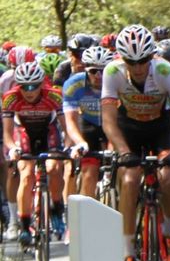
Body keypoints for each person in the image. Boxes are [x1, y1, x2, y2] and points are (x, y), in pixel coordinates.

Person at [100, 24, 170, 261]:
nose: (139, 67)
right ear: (123, 59)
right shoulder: (112, 71)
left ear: (151, 56)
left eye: (143, 60)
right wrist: (122, 152)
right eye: (132, 62)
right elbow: (108, 121)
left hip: (159, 127)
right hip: (127, 129)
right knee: (130, 179)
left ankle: (166, 234)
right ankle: (128, 251)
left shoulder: (164, 70)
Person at [2, 62, 66, 246]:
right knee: (26, 174)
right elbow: (7, 133)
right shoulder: (10, 98)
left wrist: (70, 143)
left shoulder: (54, 95)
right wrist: (12, 148)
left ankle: (56, 210)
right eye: (24, 87)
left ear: (41, 84)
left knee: (54, 167)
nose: (29, 91)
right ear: (18, 86)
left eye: (34, 86)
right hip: (23, 132)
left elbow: (66, 126)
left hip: (48, 131)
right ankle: (23, 224)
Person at [63, 46, 115, 198]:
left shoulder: (117, 81)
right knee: (89, 172)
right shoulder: (73, 85)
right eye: (93, 71)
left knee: (119, 166)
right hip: (88, 126)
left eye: (103, 70)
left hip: (112, 125)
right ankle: (89, 209)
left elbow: (122, 119)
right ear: (86, 69)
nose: (98, 75)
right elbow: (71, 121)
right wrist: (79, 142)